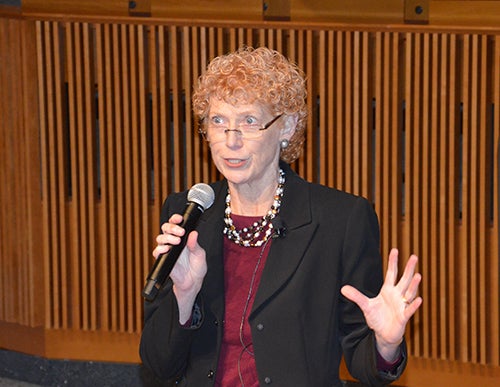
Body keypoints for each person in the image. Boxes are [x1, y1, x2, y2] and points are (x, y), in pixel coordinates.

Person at [139, 46, 422, 386]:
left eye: (249, 121)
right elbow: (158, 366)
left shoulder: (339, 221)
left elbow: (364, 362)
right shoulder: (189, 214)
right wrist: (184, 293)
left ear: (286, 126)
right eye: (218, 121)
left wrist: (386, 344)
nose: (231, 140)